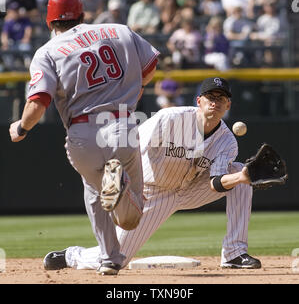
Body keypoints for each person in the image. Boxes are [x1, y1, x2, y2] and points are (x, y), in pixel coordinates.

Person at [9, 0, 160, 276]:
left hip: (81, 133)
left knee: (93, 192)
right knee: (130, 219)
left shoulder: (47, 52)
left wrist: (21, 127)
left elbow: (38, 102)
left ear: (48, 21)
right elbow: (151, 65)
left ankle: (109, 258)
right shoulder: (118, 30)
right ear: (82, 14)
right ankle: (121, 187)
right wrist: (136, 88)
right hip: (121, 124)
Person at [43, 77, 262, 272]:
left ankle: (234, 253)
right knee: (117, 258)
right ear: (199, 100)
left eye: (221, 98)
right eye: (210, 96)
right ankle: (72, 255)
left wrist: (244, 177)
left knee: (239, 172)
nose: (215, 101)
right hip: (152, 191)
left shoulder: (227, 141)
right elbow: (131, 146)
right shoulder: (170, 119)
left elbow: (215, 183)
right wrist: (130, 187)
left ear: (228, 104)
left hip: (190, 189)